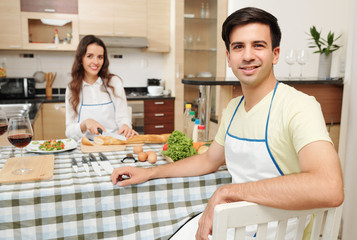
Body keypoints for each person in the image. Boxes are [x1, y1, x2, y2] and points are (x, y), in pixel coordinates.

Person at [111, 7, 344, 240]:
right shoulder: (233, 108)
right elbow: (208, 159)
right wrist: (150, 173)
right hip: (237, 225)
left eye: (258, 45)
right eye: (238, 46)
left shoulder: (298, 106)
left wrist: (229, 192)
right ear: (229, 57)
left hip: (281, 231)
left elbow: (329, 187)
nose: (247, 55)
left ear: (275, 54)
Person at [65, 35, 138, 141]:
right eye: (90, 56)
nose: (96, 62)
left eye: (100, 57)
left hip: (113, 143)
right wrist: (85, 124)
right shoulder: (72, 89)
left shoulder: (114, 82)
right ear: (81, 59)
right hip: (85, 147)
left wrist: (125, 126)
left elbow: (123, 117)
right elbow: (69, 132)